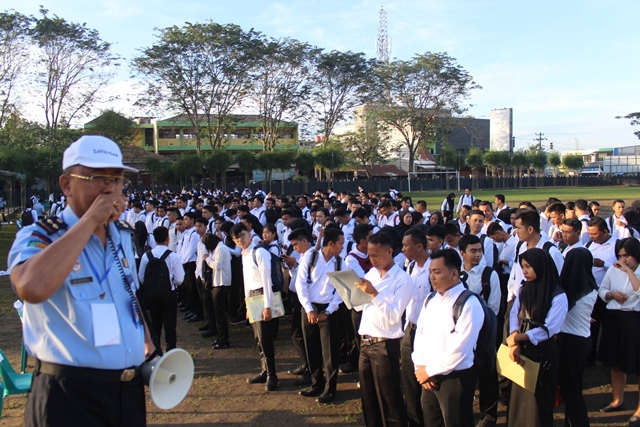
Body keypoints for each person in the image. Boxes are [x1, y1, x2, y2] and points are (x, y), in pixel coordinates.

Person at [8, 135, 155, 426]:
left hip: (127, 391)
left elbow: (125, 294)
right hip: (69, 394)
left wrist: (146, 339)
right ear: (66, 184)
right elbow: (31, 287)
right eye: (97, 177)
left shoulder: (122, 235)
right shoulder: (43, 235)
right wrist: (89, 221)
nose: (109, 188)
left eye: (117, 179)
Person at [412, 248, 484, 427]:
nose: (432, 277)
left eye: (437, 272)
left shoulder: (469, 304)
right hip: (428, 377)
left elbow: (460, 349)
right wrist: (420, 366)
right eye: (430, 272)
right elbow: (420, 335)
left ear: (454, 274)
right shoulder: (431, 299)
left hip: (454, 378)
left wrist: (430, 371)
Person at [355, 232, 413, 427]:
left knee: (390, 399)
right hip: (365, 342)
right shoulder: (371, 273)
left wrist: (373, 293)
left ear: (390, 252)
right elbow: (358, 307)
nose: (373, 260)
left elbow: (393, 316)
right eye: (370, 255)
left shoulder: (403, 280)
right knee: (368, 398)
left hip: (384, 345)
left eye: (377, 255)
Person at [506, 248, 568, 427]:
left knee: (538, 400)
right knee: (519, 397)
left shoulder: (557, 294)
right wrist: (514, 335)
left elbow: (550, 328)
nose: (524, 271)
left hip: (543, 351)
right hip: (521, 347)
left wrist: (520, 338)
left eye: (529, 267)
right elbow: (514, 314)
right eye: (523, 266)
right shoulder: (524, 288)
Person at [296, 227, 345, 404]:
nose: (342, 246)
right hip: (309, 307)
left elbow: (340, 291)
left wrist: (328, 311)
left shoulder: (340, 263)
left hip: (329, 311)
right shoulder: (311, 257)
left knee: (330, 352)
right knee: (312, 348)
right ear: (330, 243)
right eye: (340, 243)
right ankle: (316, 383)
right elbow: (301, 284)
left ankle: (330, 389)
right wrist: (309, 309)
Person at [230, 223, 278, 391]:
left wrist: (267, 305)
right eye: (236, 239)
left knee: (265, 337)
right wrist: (247, 304)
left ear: (249, 233)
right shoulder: (244, 254)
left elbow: (267, 280)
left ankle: (272, 374)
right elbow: (246, 281)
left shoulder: (260, 252)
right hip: (251, 297)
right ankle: (264, 370)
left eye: (242, 236)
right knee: (258, 338)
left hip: (262, 295)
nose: (240, 240)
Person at [597, 238, 640, 425]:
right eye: (621, 255)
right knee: (615, 362)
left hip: (635, 319)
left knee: (637, 364)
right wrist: (611, 295)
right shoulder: (613, 270)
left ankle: (639, 411)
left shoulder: (634, 270)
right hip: (614, 318)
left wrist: (629, 271)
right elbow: (602, 289)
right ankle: (617, 399)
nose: (623, 259)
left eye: (627, 256)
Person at [558, 247, 597, 427]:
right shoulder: (591, 288)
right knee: (574, 387)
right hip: (584, 339)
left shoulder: (566, 291)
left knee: (571, 391)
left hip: (569, 341)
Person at [400, 228, 431, 427]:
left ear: (419, 246)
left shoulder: (434, 269)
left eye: (405, 245)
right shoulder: (411, 267)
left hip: (428, 334)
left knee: (427, 380)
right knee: (409, 381)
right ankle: (413, 420)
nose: (402, 249)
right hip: (410, 329)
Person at [138, 226, 185, 352]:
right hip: (169, 294)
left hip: (152, 295)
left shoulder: (146, 256)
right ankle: (171, 351)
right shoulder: (174, 256)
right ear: (167, 239)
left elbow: (141, 278)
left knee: (155, 323)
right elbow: (179, 279)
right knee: (170, 325)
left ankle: (156, 351)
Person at [203, 233, 232, 349]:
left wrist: (207, 259)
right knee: (218, 313)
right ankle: (221, 337)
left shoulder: (221, 248)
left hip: (221, 283)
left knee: (220, 314)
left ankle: (224, 339)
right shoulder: (219, 248)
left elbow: (217, 265)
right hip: (218, 282)